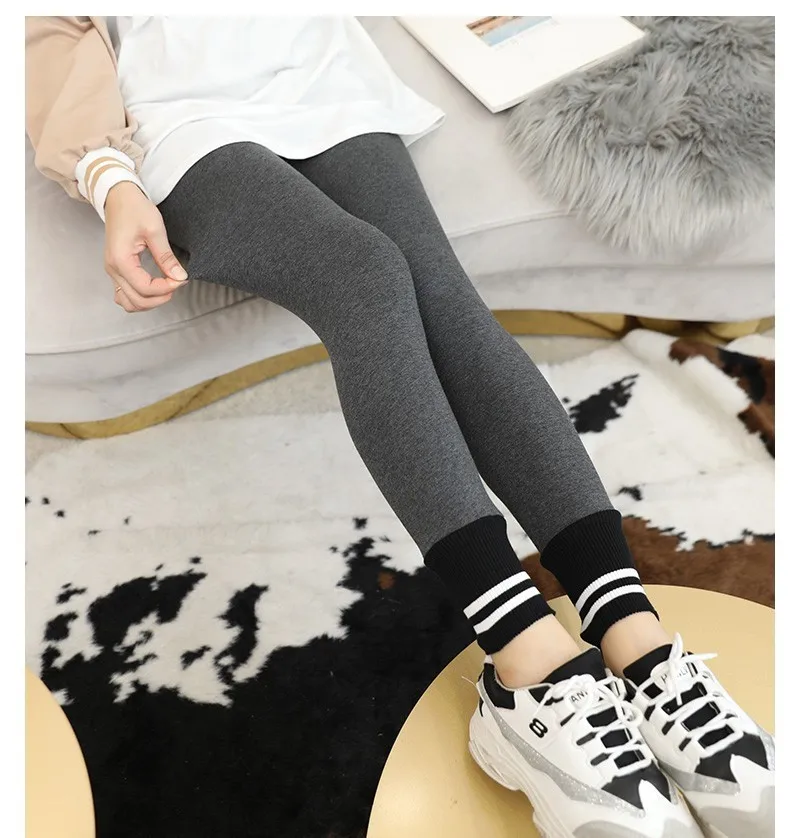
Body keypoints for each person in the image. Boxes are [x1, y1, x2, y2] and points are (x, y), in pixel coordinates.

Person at [25, 16, 773, 838]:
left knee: (443, 293)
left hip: (314, 65)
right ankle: (526, 664)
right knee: (362, 274)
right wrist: (107, 174)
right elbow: (47, 28)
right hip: (169, 114)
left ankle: (637, 640)